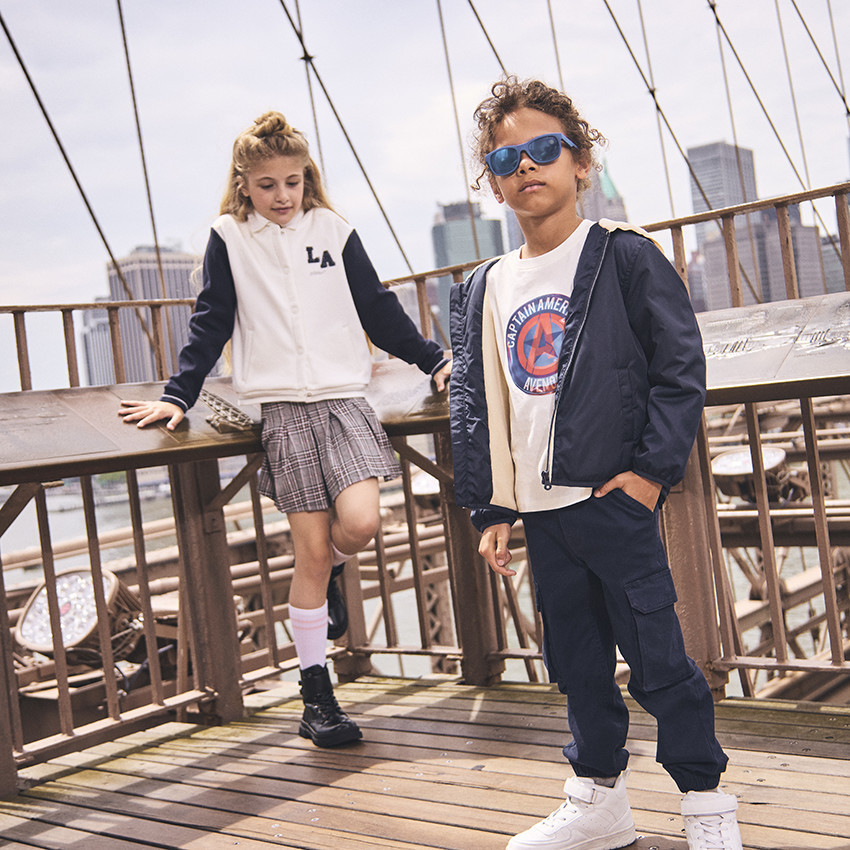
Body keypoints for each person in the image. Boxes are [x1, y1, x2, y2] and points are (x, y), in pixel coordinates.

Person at [448, 77, 743, 850]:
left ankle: (706, 803)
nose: (525, 165)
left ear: (581, 162)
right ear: (492, 182)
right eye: (505, 158)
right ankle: (599, 802)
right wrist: (492, 508)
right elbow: (480, 403)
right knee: (576, 663)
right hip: (542, 516)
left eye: (544, 148)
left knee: (658, 659)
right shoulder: (484, 286)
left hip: (611, 499)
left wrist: (649, 475)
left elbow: (680, 370)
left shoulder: (623, 255)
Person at [120, 110, 451, 749]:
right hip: (283, 410)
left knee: (361, 523)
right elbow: (211, 320)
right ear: (244, 183)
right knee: (311, 552)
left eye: (293, 182)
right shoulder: (229, 237)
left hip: (344, 399)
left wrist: (433, 359)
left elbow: (376, 307)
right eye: (268, 184)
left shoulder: (333, 229)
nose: (282, 196)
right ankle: (316, 697)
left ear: (307, 179)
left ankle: (331, 573)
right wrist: (177, 396)